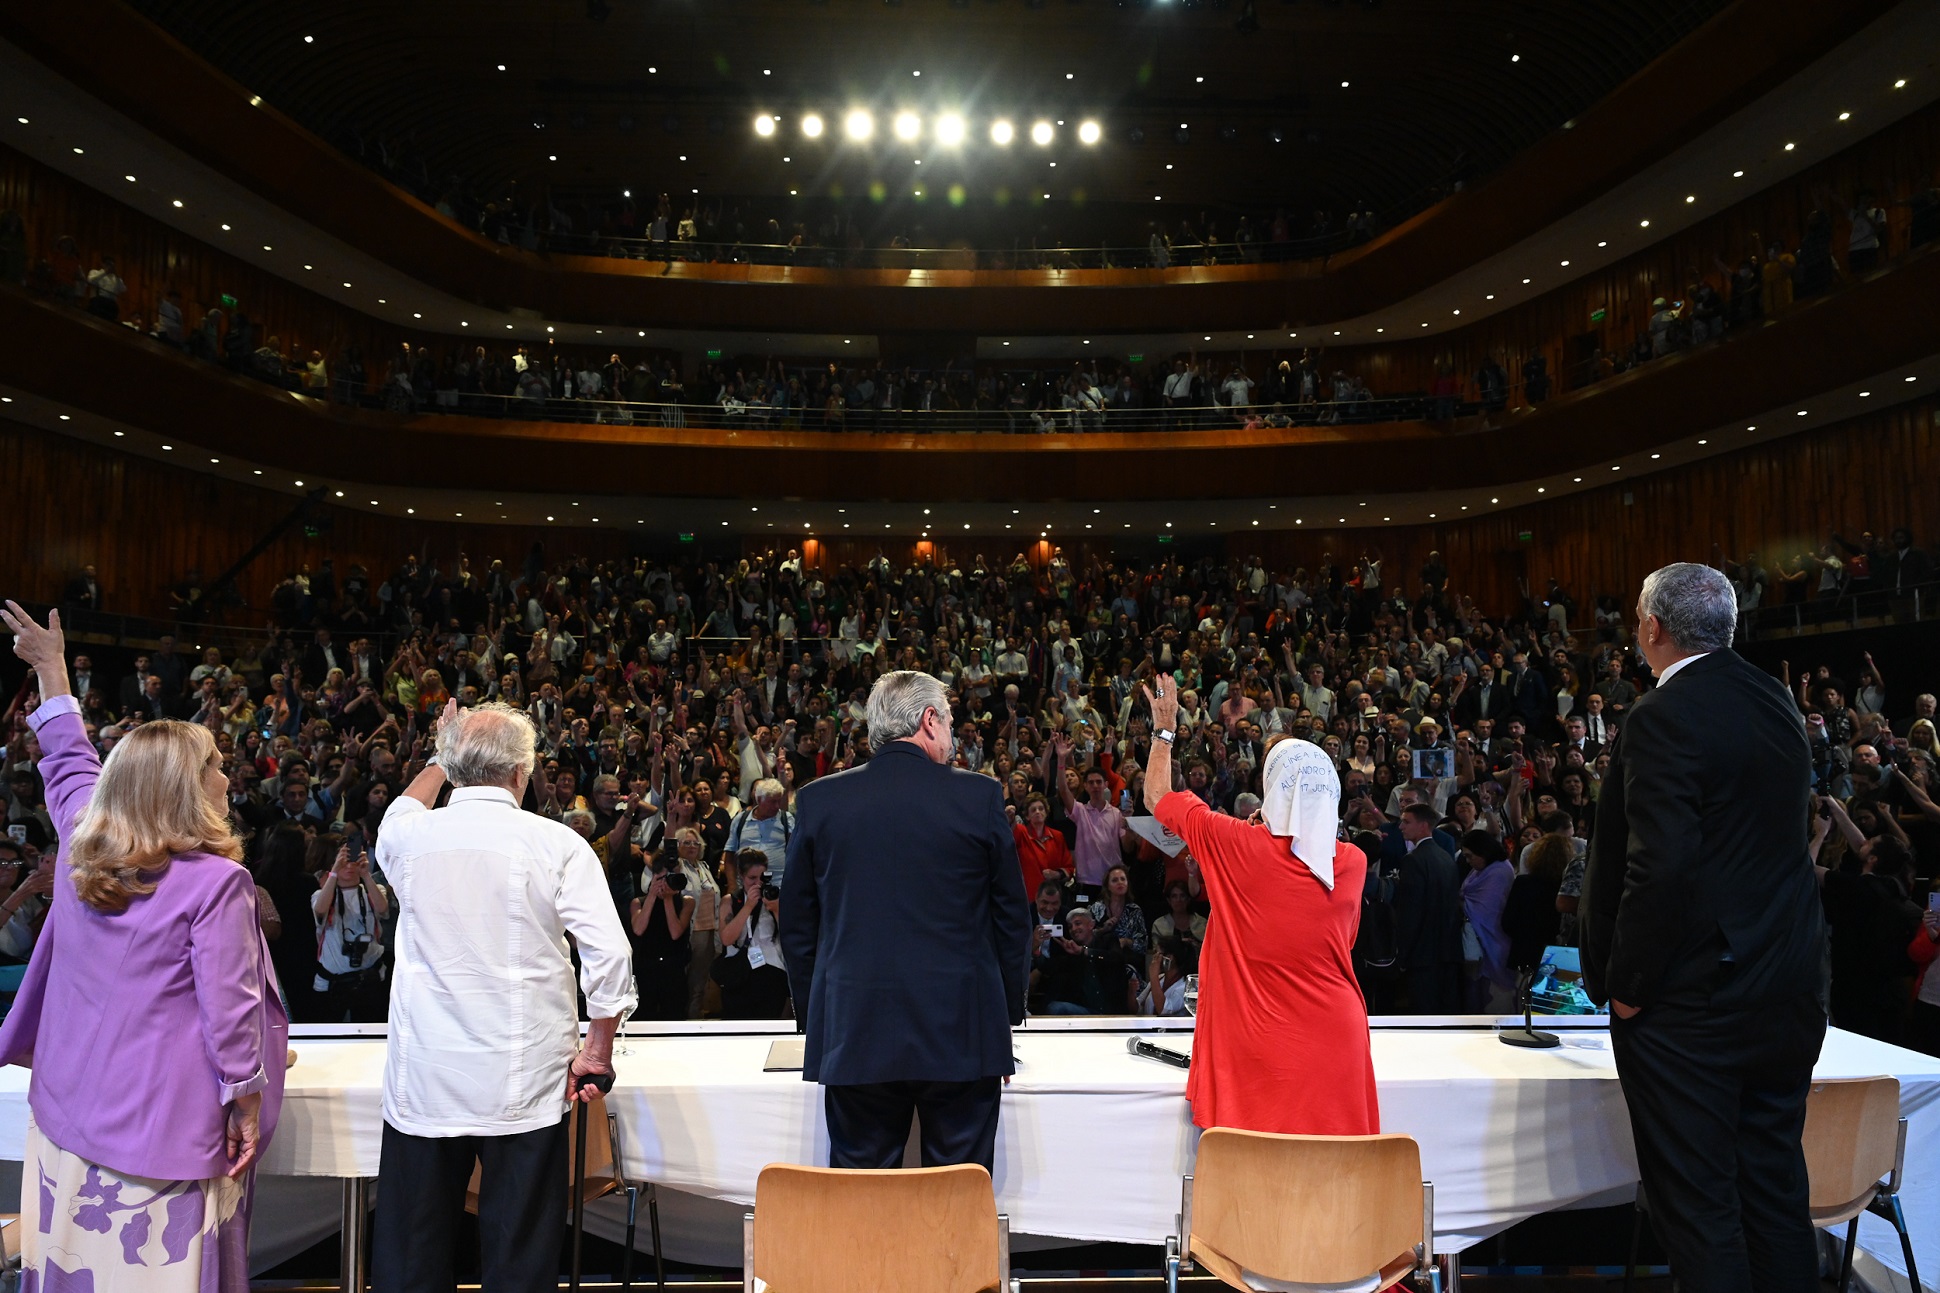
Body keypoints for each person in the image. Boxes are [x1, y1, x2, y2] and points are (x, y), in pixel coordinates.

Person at [0, 602, 287, 1293]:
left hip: (67, 1117)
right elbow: (231, 1014)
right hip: (160, 1137)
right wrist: (247, 1097)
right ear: (184, 789)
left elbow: (70, 760)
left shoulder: (78, 840)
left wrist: (51, 669)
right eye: (215, 765)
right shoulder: (218, 882)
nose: (228, 775)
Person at [1581, 563, 1826, 1293]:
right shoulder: (1775, 700)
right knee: (1776, 1195)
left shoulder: (1662, 716)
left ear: (1653, 628)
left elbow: (1661, 869)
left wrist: (1627, 988)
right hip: (1785, 990)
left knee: (1702, 1208)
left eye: (1635, 617)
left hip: (1695, 1007)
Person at [371, 700, 636, 1293]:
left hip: (426, 1083)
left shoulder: (409, 838)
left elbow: (404, 804)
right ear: (523, 772)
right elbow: (610, 957)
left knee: (411, 1260)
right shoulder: (557, 844)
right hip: (525, 1084)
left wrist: (441, 753)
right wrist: (597, 1051)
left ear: (455, 765)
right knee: (520, 1261)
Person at [781, 670, 1031, 1172]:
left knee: (863, 1197)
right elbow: (1011, 918)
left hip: (854, 1030)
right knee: (957, 1193)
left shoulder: (818, 800)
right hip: (962, 1032)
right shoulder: (978, 797)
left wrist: (821, 1024)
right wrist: (1002, 1022)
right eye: (951, 722)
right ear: (929, 720)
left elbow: (797, 926)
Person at [1142, 679, 1378, 1135]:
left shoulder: (1234, 843)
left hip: (1257, 1040)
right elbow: (1338, 943)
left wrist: (1166, 729)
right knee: (1334, 1176)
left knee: (1255, 1176)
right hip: (1336, 1037)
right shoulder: (1354, 862)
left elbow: (1156, 796)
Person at [716, 849, 790, 1019]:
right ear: (741, 876)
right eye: (752, 878)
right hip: (741, 971)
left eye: (762, 877)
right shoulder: (731, 900)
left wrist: (777, 910)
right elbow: (727, 938)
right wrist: (748, 906)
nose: (758, 883)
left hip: (773, 969)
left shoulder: (774, 896)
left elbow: (788, 937)